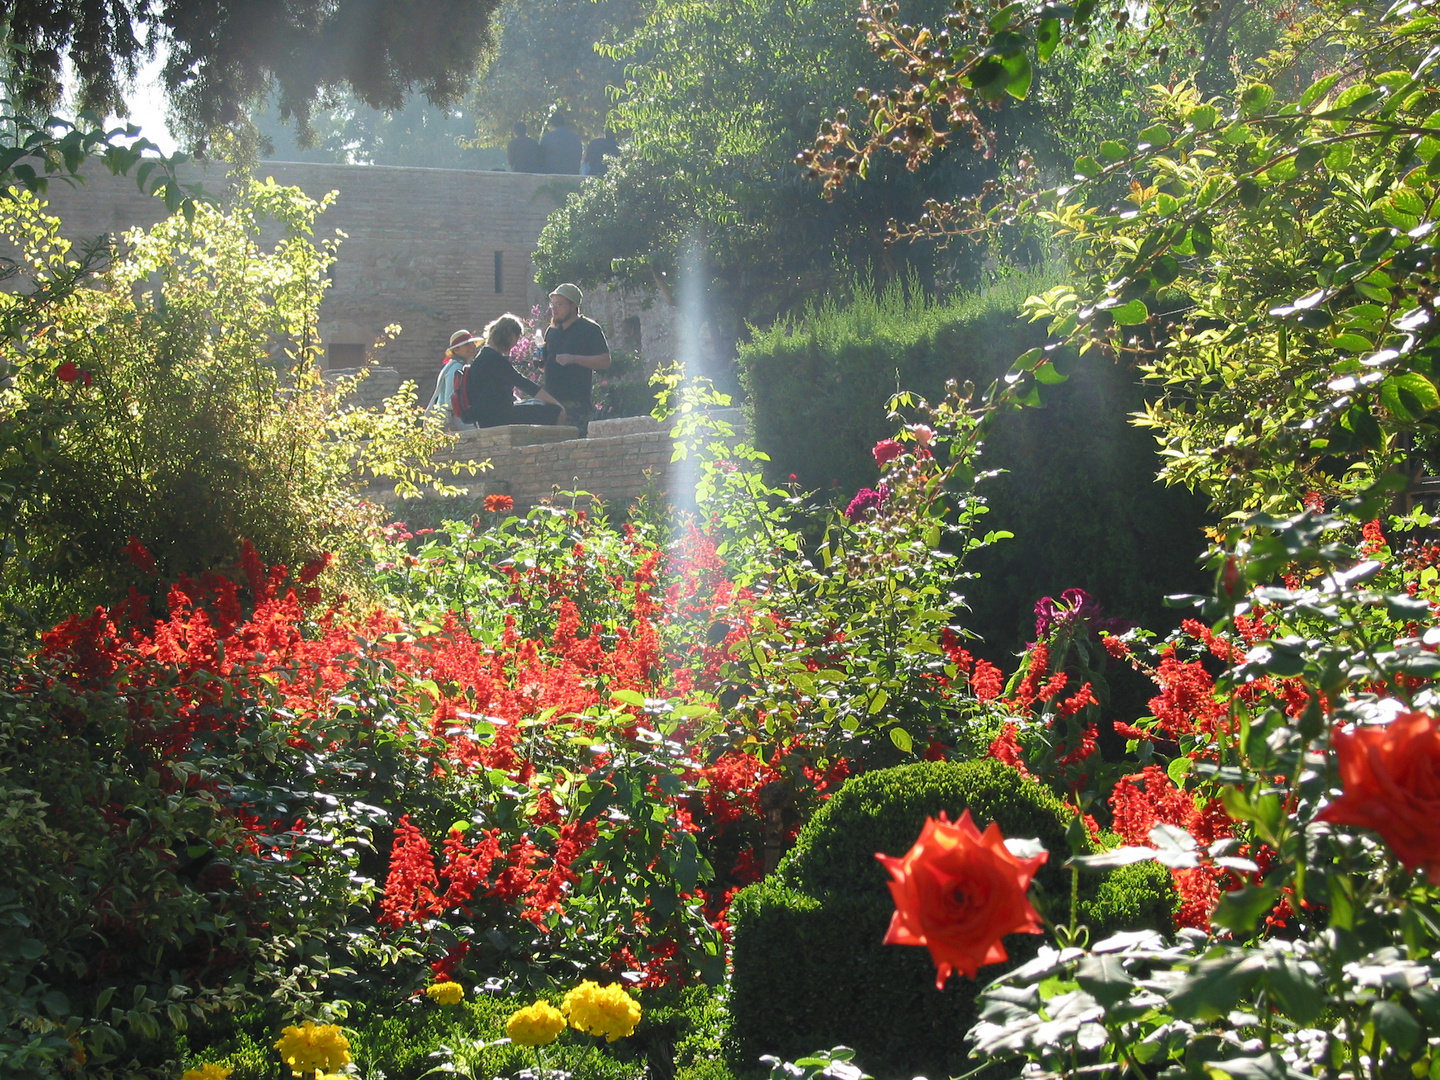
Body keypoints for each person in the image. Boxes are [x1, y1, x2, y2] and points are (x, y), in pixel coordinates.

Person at [463, 314, 566, 427]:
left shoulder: (481, 358)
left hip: (486, 418)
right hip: (499, 417)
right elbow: (523, 383)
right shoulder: (495, 360)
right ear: (510, 336)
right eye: (516, 338)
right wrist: (556, 403)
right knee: (553, 411)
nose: (515, 344)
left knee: (536, 405)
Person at [541, 283, 610, 437]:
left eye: (560, 304)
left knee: (574, 447)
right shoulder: (552, 331)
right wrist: (540, 360)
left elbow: (605, 361)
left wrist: (574, 359)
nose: (554, 309)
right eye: (553, 304)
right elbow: (545, 365)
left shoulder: (589, 329)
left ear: (573, 306)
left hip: (576, 404)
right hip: (552, 403)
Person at [427, 329, 482, 428]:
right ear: (456, 350)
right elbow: (450, 402)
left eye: (472, 343)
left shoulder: (454, 365)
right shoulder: (456, 367)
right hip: (455, 418)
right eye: (467, 345)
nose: (472, 347)